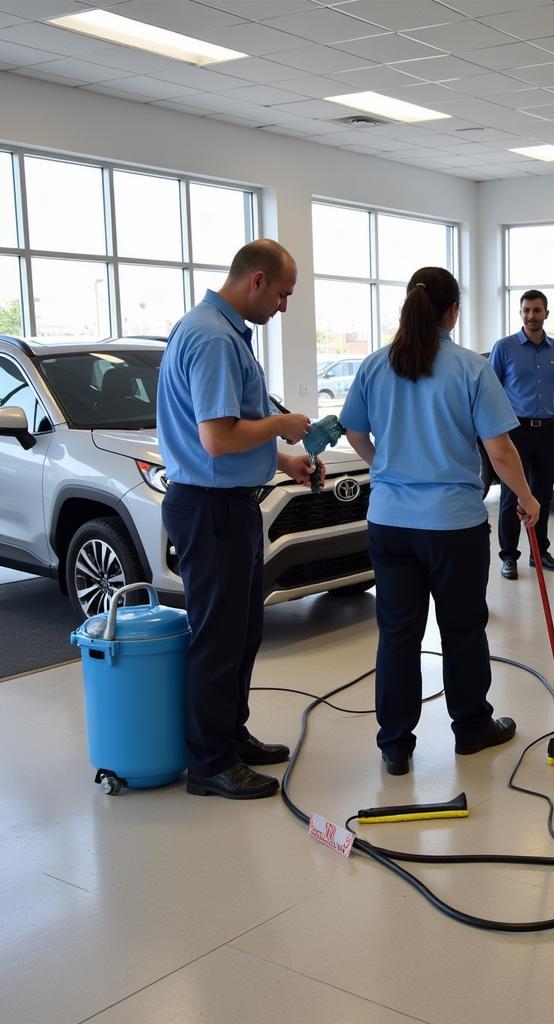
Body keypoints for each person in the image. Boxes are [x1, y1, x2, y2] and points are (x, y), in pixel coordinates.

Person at [342, 267, 541, 777]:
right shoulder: (469, 368)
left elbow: (355, 433)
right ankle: (471, 728)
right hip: (452, 526)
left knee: (398, 634)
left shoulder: (373, 365)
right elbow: (499, 449)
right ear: (452, 311)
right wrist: (527, 497)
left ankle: (395, 744)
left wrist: (386, 464)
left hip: (389, 522)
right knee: (462, 629)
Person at [158, 239, 316, 800]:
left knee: (243, 631)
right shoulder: (212, 338)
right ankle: (210, 762)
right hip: (210, 507)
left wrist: (282, 458)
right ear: (256, 281)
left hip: (229, 504)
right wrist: (282, 423)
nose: (283, 306)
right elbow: (217, 437)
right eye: (282, 294)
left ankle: (229, 734)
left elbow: (231, 427)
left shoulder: (223, 333)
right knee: (219, 637)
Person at [489, 290, 554, 580]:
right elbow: (491, 393)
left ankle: (540, 552)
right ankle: (508, 556)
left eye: (537, 310)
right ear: (520, 313)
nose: (531, 316)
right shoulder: (504, 348)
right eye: (526, 310)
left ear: (546, 314)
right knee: (512, 495)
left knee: (543, 495)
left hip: (548, 431)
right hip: (514, 432)